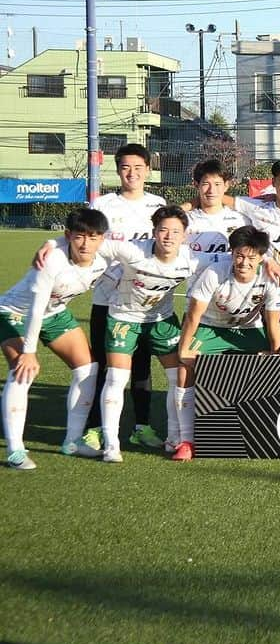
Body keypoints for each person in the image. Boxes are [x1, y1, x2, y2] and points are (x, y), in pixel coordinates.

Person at [1, 209, 112, 469]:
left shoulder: (103, 259)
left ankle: (72, 442)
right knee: (22, 371)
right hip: (15, 313)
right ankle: (15, 450)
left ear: (102, 239)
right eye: (80, 236)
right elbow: (36, 308)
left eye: (94, 237)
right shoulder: (52, 261)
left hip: (55, 314)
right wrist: (29, 351)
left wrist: (51, 240)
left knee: (89, 367)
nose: (86, 243)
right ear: (68, 236)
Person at [97, 206, 202, 463]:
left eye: (175, 231)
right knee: (117, 379)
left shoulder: (192, 258)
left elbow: (230, 259)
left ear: (185, 235)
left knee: (178, 378)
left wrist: (267, 261)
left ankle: (175, 438)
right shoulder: (133, 250)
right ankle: (111, 444)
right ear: (153, 232)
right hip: (124, 318)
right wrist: (52, 244)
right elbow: (92, 241)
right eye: (163, 230)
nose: (169, 236)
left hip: (161, 320)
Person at [81, 143, 167, 453]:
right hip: (108, 299)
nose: (132, 173)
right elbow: (88, 243)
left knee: (142, 368)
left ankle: (141, 427)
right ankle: (94, 429)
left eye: (138, 167)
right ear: (118, 170)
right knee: (103, 367)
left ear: (147, 170)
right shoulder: (103, 205)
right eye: (126, 167)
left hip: (143, 304)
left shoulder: (157, 204)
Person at [174, 225, 280, 461]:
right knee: (184, 367)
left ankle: (266, 430)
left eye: (251, 258)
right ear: (231, 253)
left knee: (271, 363)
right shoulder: (215, 272)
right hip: (210, 327)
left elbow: (273, 324)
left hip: (247, 330)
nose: (244, 262)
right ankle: (186, 440)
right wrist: (184, 349)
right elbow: (194, 315)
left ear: (262, 258)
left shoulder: (272, 279)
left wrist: (276, 355)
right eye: (239, 255)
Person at [184, 159, 248, 271]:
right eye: (206, 184)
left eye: (217, 184)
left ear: (226, 185)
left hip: (230, 286)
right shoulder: (185, 221)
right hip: (196, 287)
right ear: (196, 185)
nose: (211, 190)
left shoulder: (241, 220)